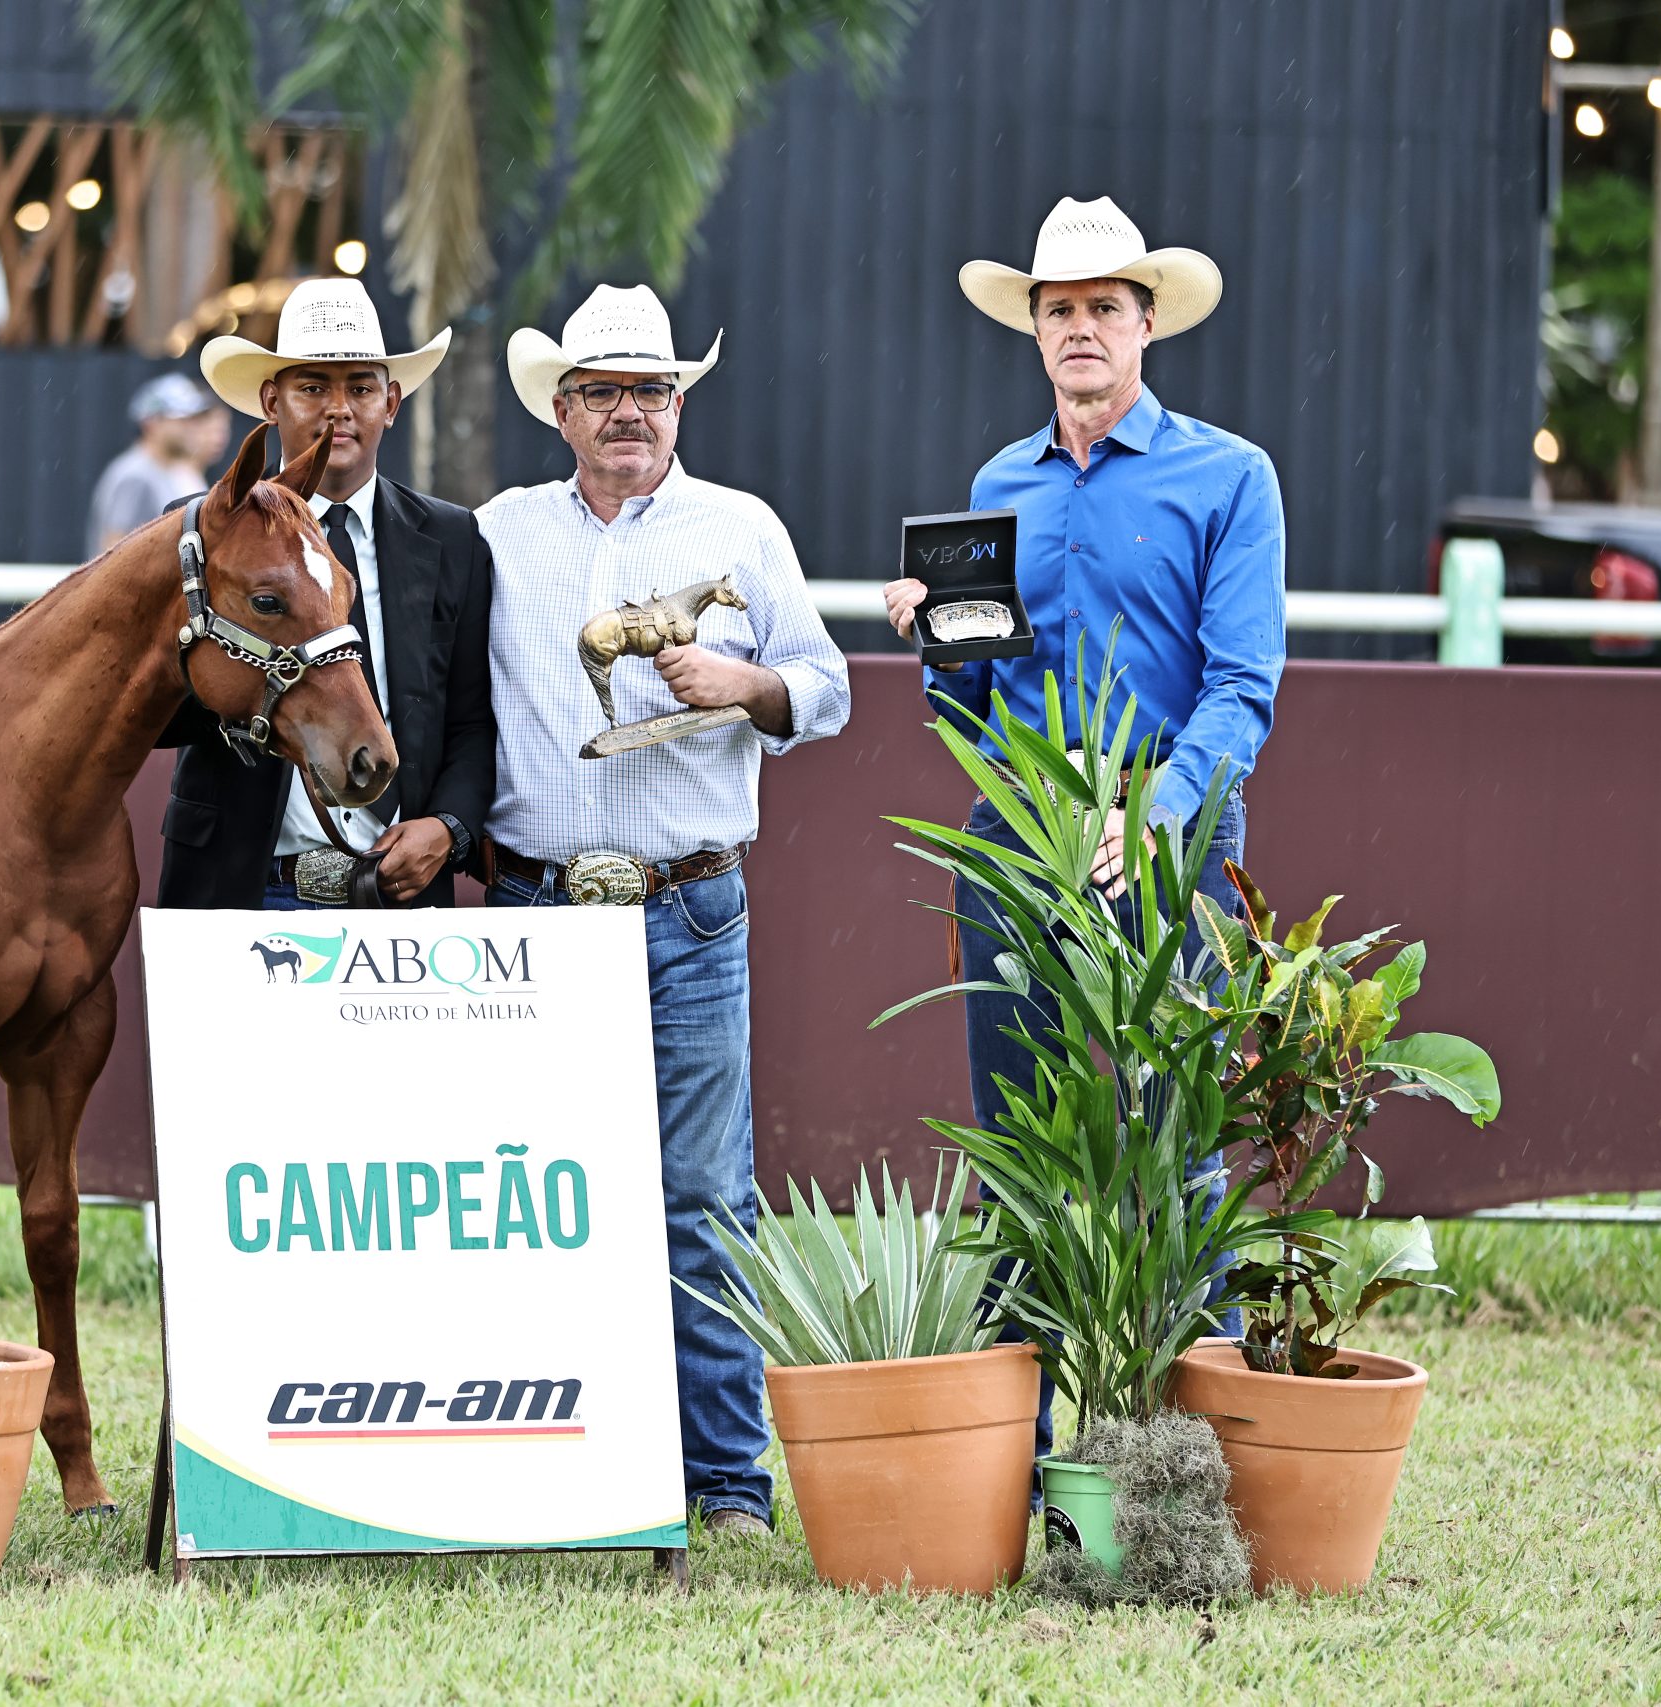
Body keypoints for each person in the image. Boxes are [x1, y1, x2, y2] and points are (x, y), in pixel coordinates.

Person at [882, 194, 1287, 1468]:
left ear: (1146, 323)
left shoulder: (1229, 477)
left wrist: (1154, 816)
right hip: (1015, 836)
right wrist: (932, 635)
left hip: (1171, 840)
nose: (1079, 329)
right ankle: (1021, 1469)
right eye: (1057, 310)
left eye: (1103, 307)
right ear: (1033, 328)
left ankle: (1191, 1475)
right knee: (1021, 1154)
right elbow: (972, 708)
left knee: (1181, 1148)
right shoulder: (997, 485)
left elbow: (1242, 689)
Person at [476, 284, 850, 1536]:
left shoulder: (741, 528)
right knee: (529, 1195)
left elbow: (827, 688)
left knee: (700, 1196)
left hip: (686, 907)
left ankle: (726, 1480)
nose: (627, 411)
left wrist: (746, 683)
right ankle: (556, 1459)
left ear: (680, 403)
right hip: (532, 909)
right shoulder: (499, 535)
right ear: (562, 409)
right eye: (602, 391)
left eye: (651, 389)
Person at [154, 278, 495, 911]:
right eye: (312, 388)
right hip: (236, 886)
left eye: (360, 388)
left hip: (397, 891)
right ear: (270, 401)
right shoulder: (199, 530)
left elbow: (472, 719)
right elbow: (153, 702)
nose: (339, 409)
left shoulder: (452, 539)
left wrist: (448, 828)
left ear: (391, 403)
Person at [87, 374, 230, 560]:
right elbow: (115, 554)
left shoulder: (175, 472)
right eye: (183, 419)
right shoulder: (135, 475)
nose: (193, 428)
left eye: (195, 420)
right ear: (152, 423)